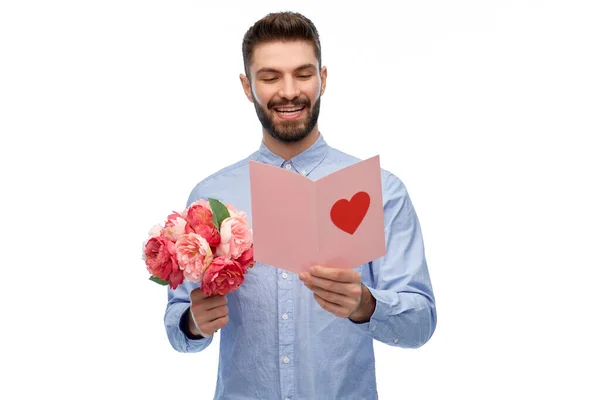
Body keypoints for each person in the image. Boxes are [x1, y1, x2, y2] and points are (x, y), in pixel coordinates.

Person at [164, 11, 436, 400]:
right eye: (270, 77)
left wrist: (366, 304)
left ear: (323, 79)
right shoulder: (210, 198)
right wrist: (193, 323)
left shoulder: (381, 190)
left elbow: (421, 323)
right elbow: (178, 325)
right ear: (247, 86)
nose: (288, 91)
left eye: (303, 74)